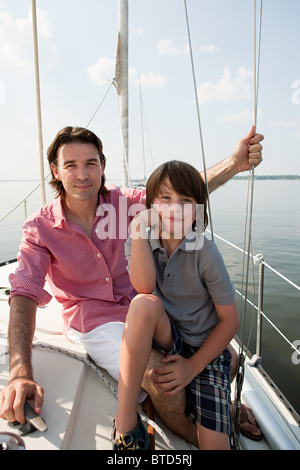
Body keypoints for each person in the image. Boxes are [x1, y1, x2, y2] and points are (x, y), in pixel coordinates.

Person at [0, 125, 263, 444]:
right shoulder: (40, 228)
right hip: (96, 322)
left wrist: (234, 164)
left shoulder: (126, 203)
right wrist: (20, 372)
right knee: (158, 374)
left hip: (151, 308)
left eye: (90, 163)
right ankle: (205, 434)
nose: (82, 174)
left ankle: (211, 406)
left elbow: (181, 192)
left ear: (102, 166)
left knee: (228, 356)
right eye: (70, 165)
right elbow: (24, 294)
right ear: (55, 170)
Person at [113, 161, 239, 450]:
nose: (174, 208)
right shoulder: (142, 239)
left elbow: (230, 321)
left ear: (197, 209)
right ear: (150, 205)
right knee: (142, 304)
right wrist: (138, 228)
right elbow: (144, 287)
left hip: (204, 349)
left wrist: (192, 367)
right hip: (169, 335)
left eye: (185, 201)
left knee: (214, 446)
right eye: (165, 198)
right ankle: (125, 422)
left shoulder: (205, 252)